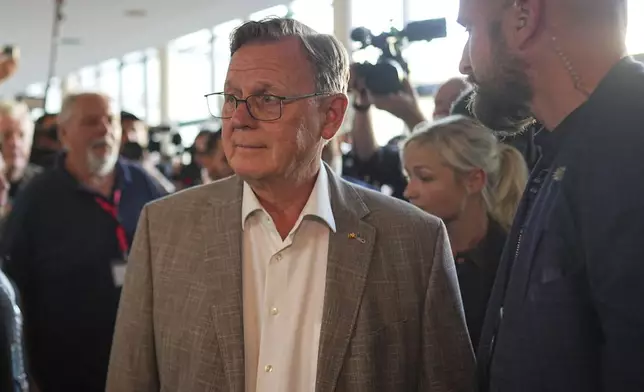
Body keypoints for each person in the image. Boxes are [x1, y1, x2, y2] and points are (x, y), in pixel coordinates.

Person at [107, 18, 475, 392]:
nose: (239, 119)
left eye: (267, 99)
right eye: (232, 98)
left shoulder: (414, 241)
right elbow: (130, 378)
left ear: (330, 115)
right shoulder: (165, 228)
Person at [457, 0, 644, 390]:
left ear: (524, 19)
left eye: (469, 30)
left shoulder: (627, 147)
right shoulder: (571, 147)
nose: (464, 64)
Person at [1, 92, 167, 392]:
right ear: (64, 134)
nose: (105, 130)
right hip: (65, 372)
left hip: (142, 365)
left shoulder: (143, 184)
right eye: (92, 122)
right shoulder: (36, 200)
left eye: (111, 121)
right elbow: (15, 293)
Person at [402, 115, 527, 349]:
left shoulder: (514, 259)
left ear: (473, 180)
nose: (409, 191)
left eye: (425, 177)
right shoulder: (407, 255)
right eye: (408, 177)